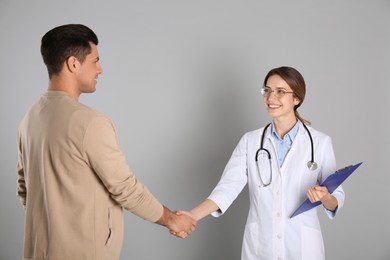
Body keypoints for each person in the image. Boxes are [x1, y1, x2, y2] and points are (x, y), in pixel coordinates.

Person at [16, 24, 196, 260]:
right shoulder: (90, 123)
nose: (100, 69)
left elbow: (24, 189)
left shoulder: (30, 117)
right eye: (95, 61)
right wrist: (173, 220)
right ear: (73, 64)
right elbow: (125, 188)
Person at [176, 66, 345, 260]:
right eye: (267, 90)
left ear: (296, 99)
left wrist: (325, 197)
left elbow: (336, 198)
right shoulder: (250, 141)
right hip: (261, 247)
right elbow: (227, 188)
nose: (271, 98)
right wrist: (192, 215)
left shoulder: (320, 142)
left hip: (302, 247)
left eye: (280, 92)